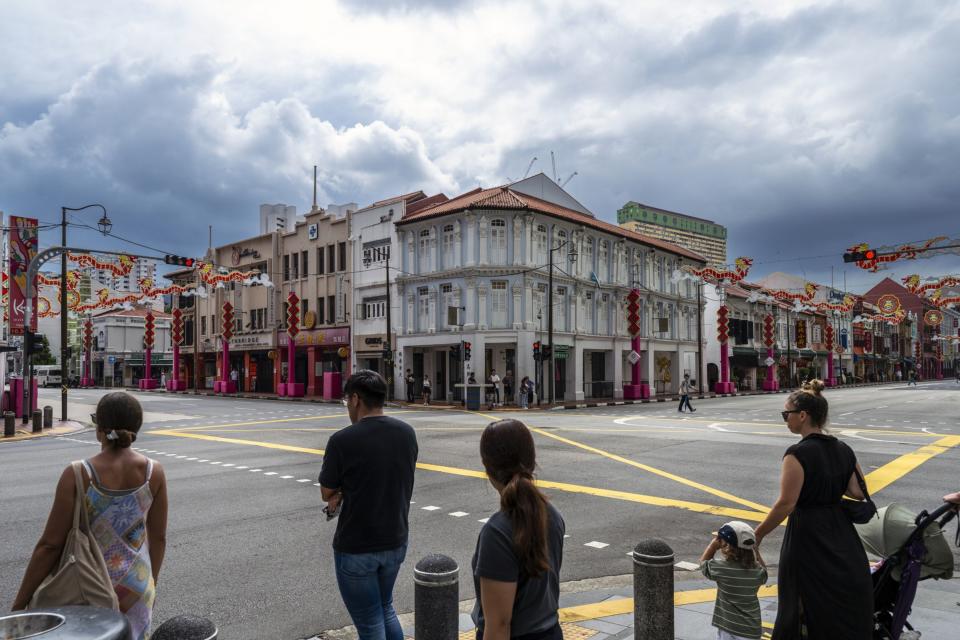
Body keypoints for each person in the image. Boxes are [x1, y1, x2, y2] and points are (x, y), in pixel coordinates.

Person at [13, 392, 168, 640]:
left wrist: (19, 605)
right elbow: (158, 538)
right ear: (136, 428)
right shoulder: (154, 472)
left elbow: (50, 545)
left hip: (88, 586)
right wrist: (151, 582)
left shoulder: (79, 474)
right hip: (138, 587)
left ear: (99, 428)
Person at [754, 380, 872, 639]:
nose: (785, 419)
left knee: (799, 595)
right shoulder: (843, 448)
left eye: (787, 414)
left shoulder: (797, 453)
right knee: (835, 597)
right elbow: (857, 492)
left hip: (807, 534)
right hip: (840, 532)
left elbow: (787, 503)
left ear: (803, 415)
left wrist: (759, 534)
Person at [320, 370, 418, 640]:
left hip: (357, 547)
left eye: (346, 402)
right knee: (385, 608)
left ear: (355, 399)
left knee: (370, 622)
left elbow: (326, 491)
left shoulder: (342, 440)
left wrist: (342, 491)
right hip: (396, 540)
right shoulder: (406, 433)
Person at [472, 419, 565, 639]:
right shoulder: (552, 514)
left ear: (487, 468)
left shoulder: (497, 533)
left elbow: (499, 626)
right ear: (532, 463)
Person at [700, 521, 768, 640]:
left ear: (726, 545)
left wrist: (712, 547)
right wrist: (756, 552)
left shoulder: (721, 568)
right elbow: (764, 572)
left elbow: (703, 564)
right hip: (751, 629)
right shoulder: (757, 572)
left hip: (728, 627)